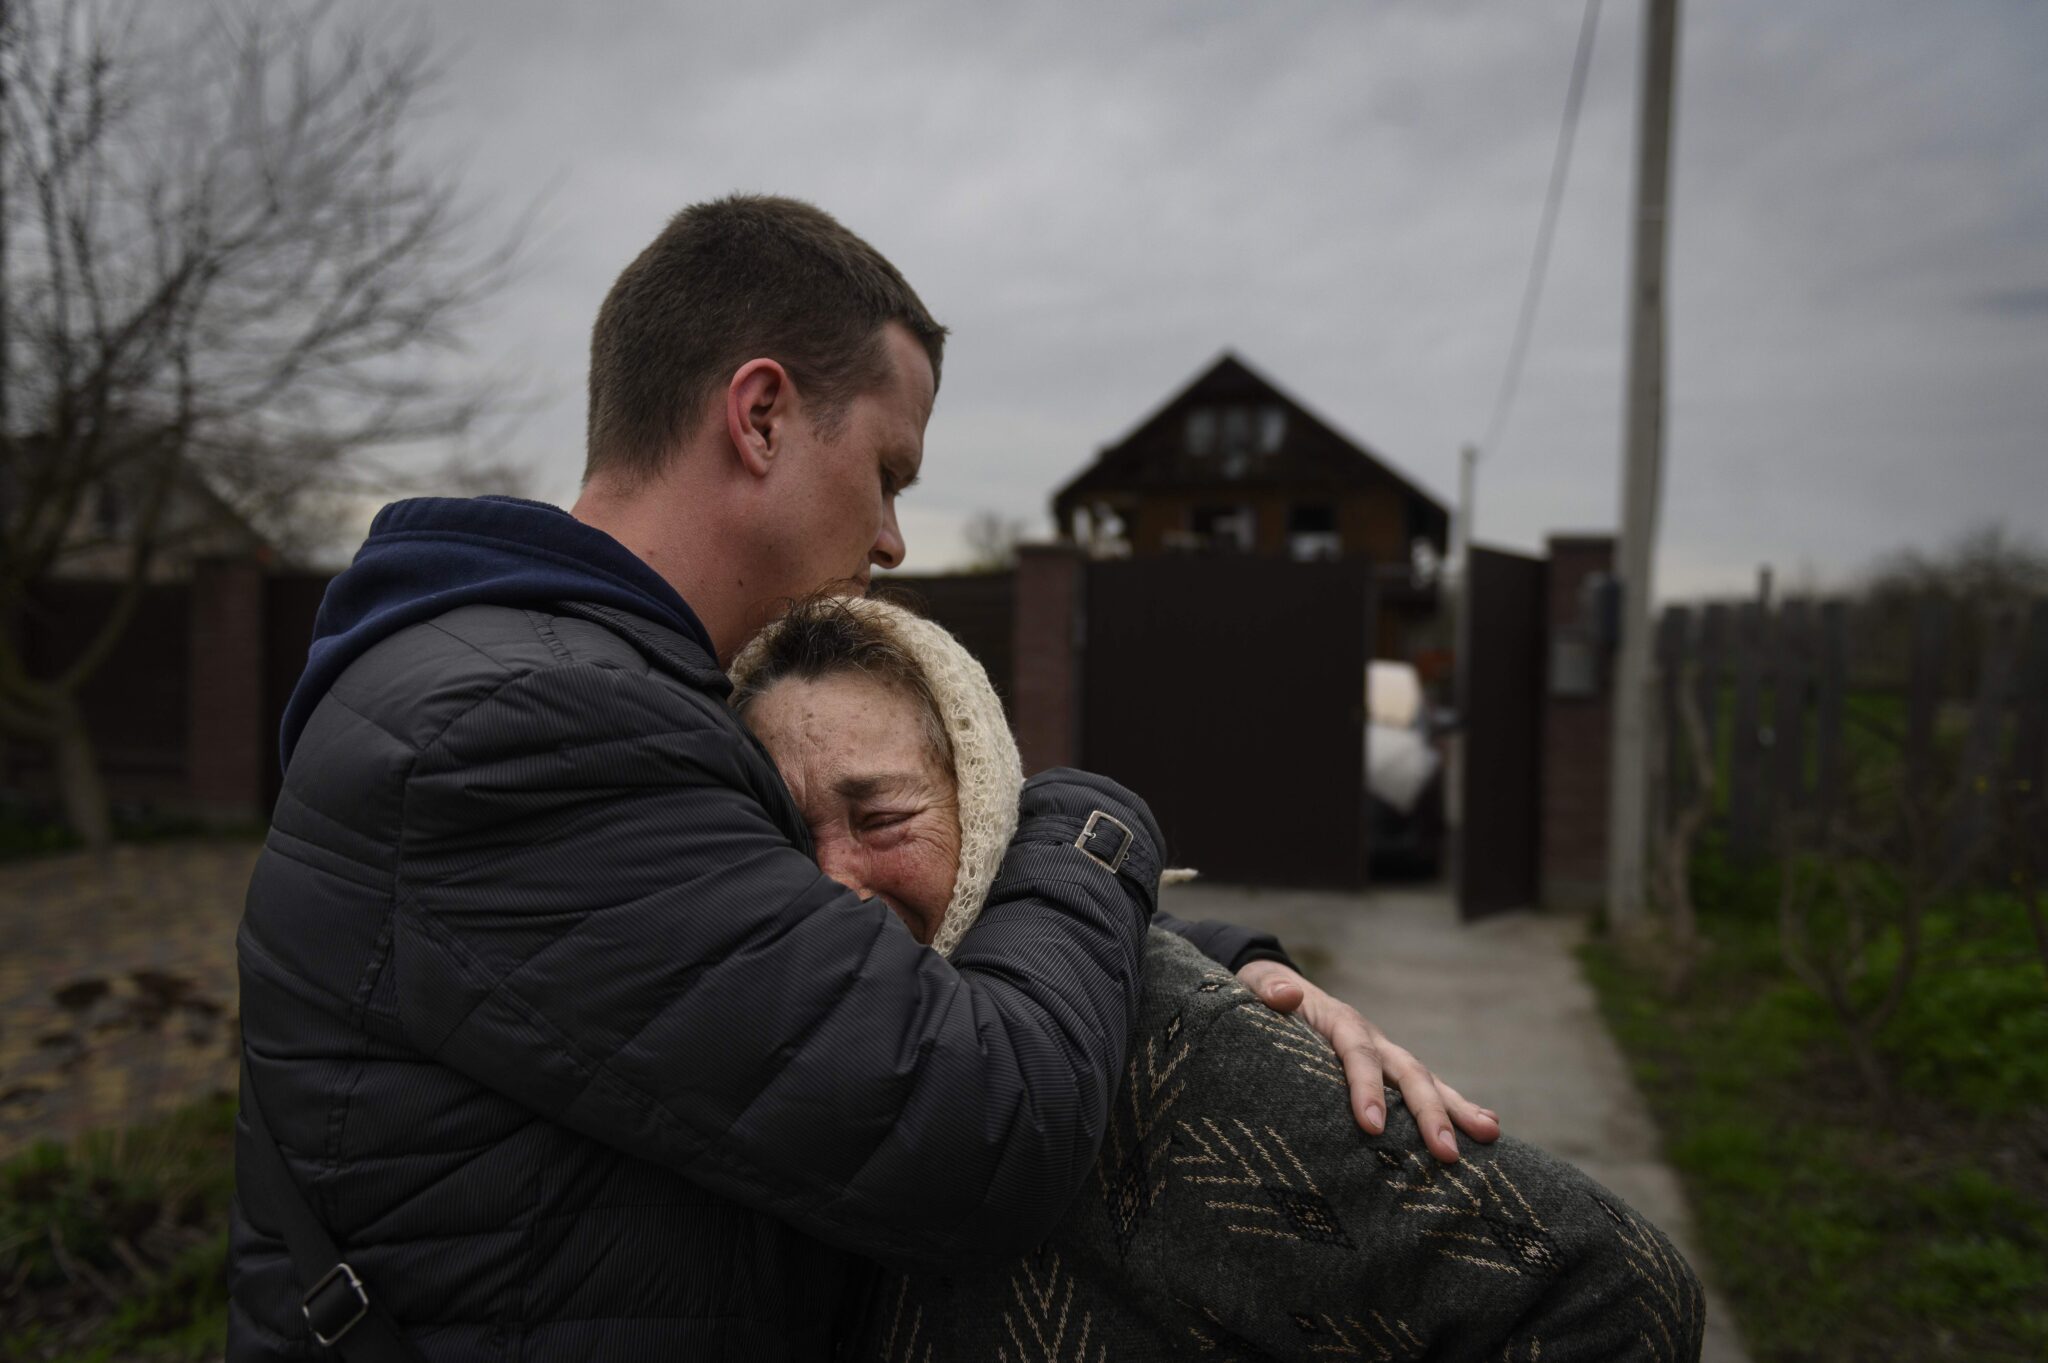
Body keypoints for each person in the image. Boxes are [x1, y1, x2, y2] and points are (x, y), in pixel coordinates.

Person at [229, 195, 1493, 1361]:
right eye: (887, 471)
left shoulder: (563, 687)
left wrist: (1223, 966)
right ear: (762, 414)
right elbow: (975, 1130)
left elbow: (790, 960)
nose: (891, 537)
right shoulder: (529, 723)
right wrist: (1090, 824)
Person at [729, 593, 1708, 1362]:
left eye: (884, 818)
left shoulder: (1162, 1045)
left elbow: (1612, 1292)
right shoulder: (765, 1038)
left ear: (982, 804)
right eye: (783, 832)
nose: (832, 884)